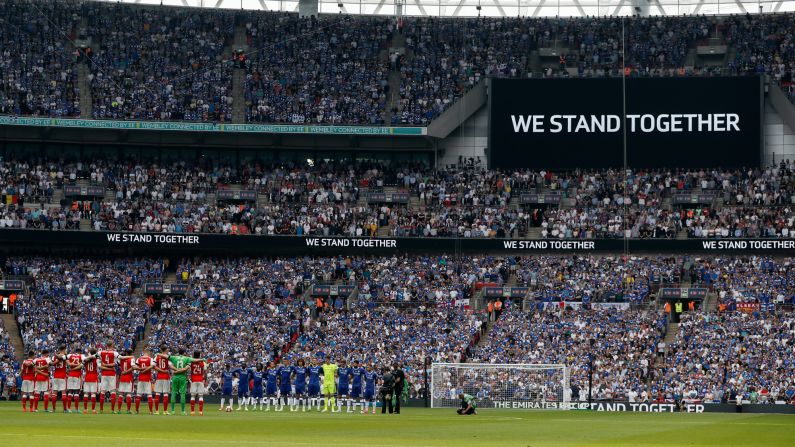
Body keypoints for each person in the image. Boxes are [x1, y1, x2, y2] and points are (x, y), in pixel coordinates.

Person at [169, 348, 197, 415]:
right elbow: (195, 360)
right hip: (183, 377)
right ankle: (183, 411)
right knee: (182, 394)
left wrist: (176, 370)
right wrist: (203, 359)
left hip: (175, 377)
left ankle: (172, 411)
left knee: (173, 393)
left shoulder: (174, 357)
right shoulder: (187, 358)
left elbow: (170, 365)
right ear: (184, 352)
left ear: (178, 352)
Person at [98, 342, 119, 413]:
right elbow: (116, 364)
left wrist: (104, 365)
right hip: (112, 374)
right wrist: (110, 367)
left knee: (103, 391)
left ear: (106, 345)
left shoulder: (101, 352)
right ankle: (112, 410)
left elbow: (99, 363)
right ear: (112, 345)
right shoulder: (114, 353)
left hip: (104, 374)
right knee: (113, 391)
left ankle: (101, 409)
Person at [134, 348, 154, 414]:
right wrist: (146, 369)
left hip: (140, 379)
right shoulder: (150, 359)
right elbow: (152, 366)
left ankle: (137, 410)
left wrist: (141, 369)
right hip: (147, 379)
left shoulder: (139, 359)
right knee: (149, 395)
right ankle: (151, 411)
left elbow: (135, 367)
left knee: (139, 395)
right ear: (148, 353)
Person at [50, 346, 68, 413]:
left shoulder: (54, 357)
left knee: (54, 393)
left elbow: (52, 363)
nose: (66, 351)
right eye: (66, 350)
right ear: (63, 350)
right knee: (63, 393)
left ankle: (54, 409)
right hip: (62, 376)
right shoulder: (65, 356)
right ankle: (65, 409)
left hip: (55, 375)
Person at [117, 349, 136, 414]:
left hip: (122, 378)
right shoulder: (132, 359)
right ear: (132, 353)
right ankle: (128, 410)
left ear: (126, 352)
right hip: (128, 377)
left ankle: (119, 410)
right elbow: (133, 367)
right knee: (128, 394)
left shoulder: (121, 359)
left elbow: (118, 364)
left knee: (121, 394)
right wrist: (126, 372)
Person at [153, 345, 171, 414]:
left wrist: (160, 370)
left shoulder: (156, 357)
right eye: (167, 349)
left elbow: (154, 366)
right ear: (165, 350)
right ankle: (165, 411)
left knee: (157, 393)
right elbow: (170, 365)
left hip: (159, 376)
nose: (168, 350)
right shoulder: (167, 357)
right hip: (166, 376)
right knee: (165, 393)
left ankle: (157, 411)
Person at [66, 348, 84, 413]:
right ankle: (76, 409)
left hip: (70, 375)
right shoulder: (81, 356)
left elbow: (68, 362)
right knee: (76, 392)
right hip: (77, 375)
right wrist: (79, 364)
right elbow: (81, 365)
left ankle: (69, 408)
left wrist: (70, 368)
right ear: (80, 352)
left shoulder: (70, 355)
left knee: (70, 392)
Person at [82, 348, 100, 413]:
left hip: (87, 377)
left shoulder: (86, 359)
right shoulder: (96, 359)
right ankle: (93, 410)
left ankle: (85, 409)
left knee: (86, 394)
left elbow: (83, 362)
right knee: (93, 394)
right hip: (94, 377)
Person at [188, 351, 206, 416]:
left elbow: (189, 369)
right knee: (200, 396)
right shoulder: (202, 362)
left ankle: (192, 412)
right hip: (200, 380)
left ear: (193, 355)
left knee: (193, 396)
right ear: (199, 355)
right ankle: (200, 412)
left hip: (193, 380)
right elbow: (204, 370)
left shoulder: (191, 362)